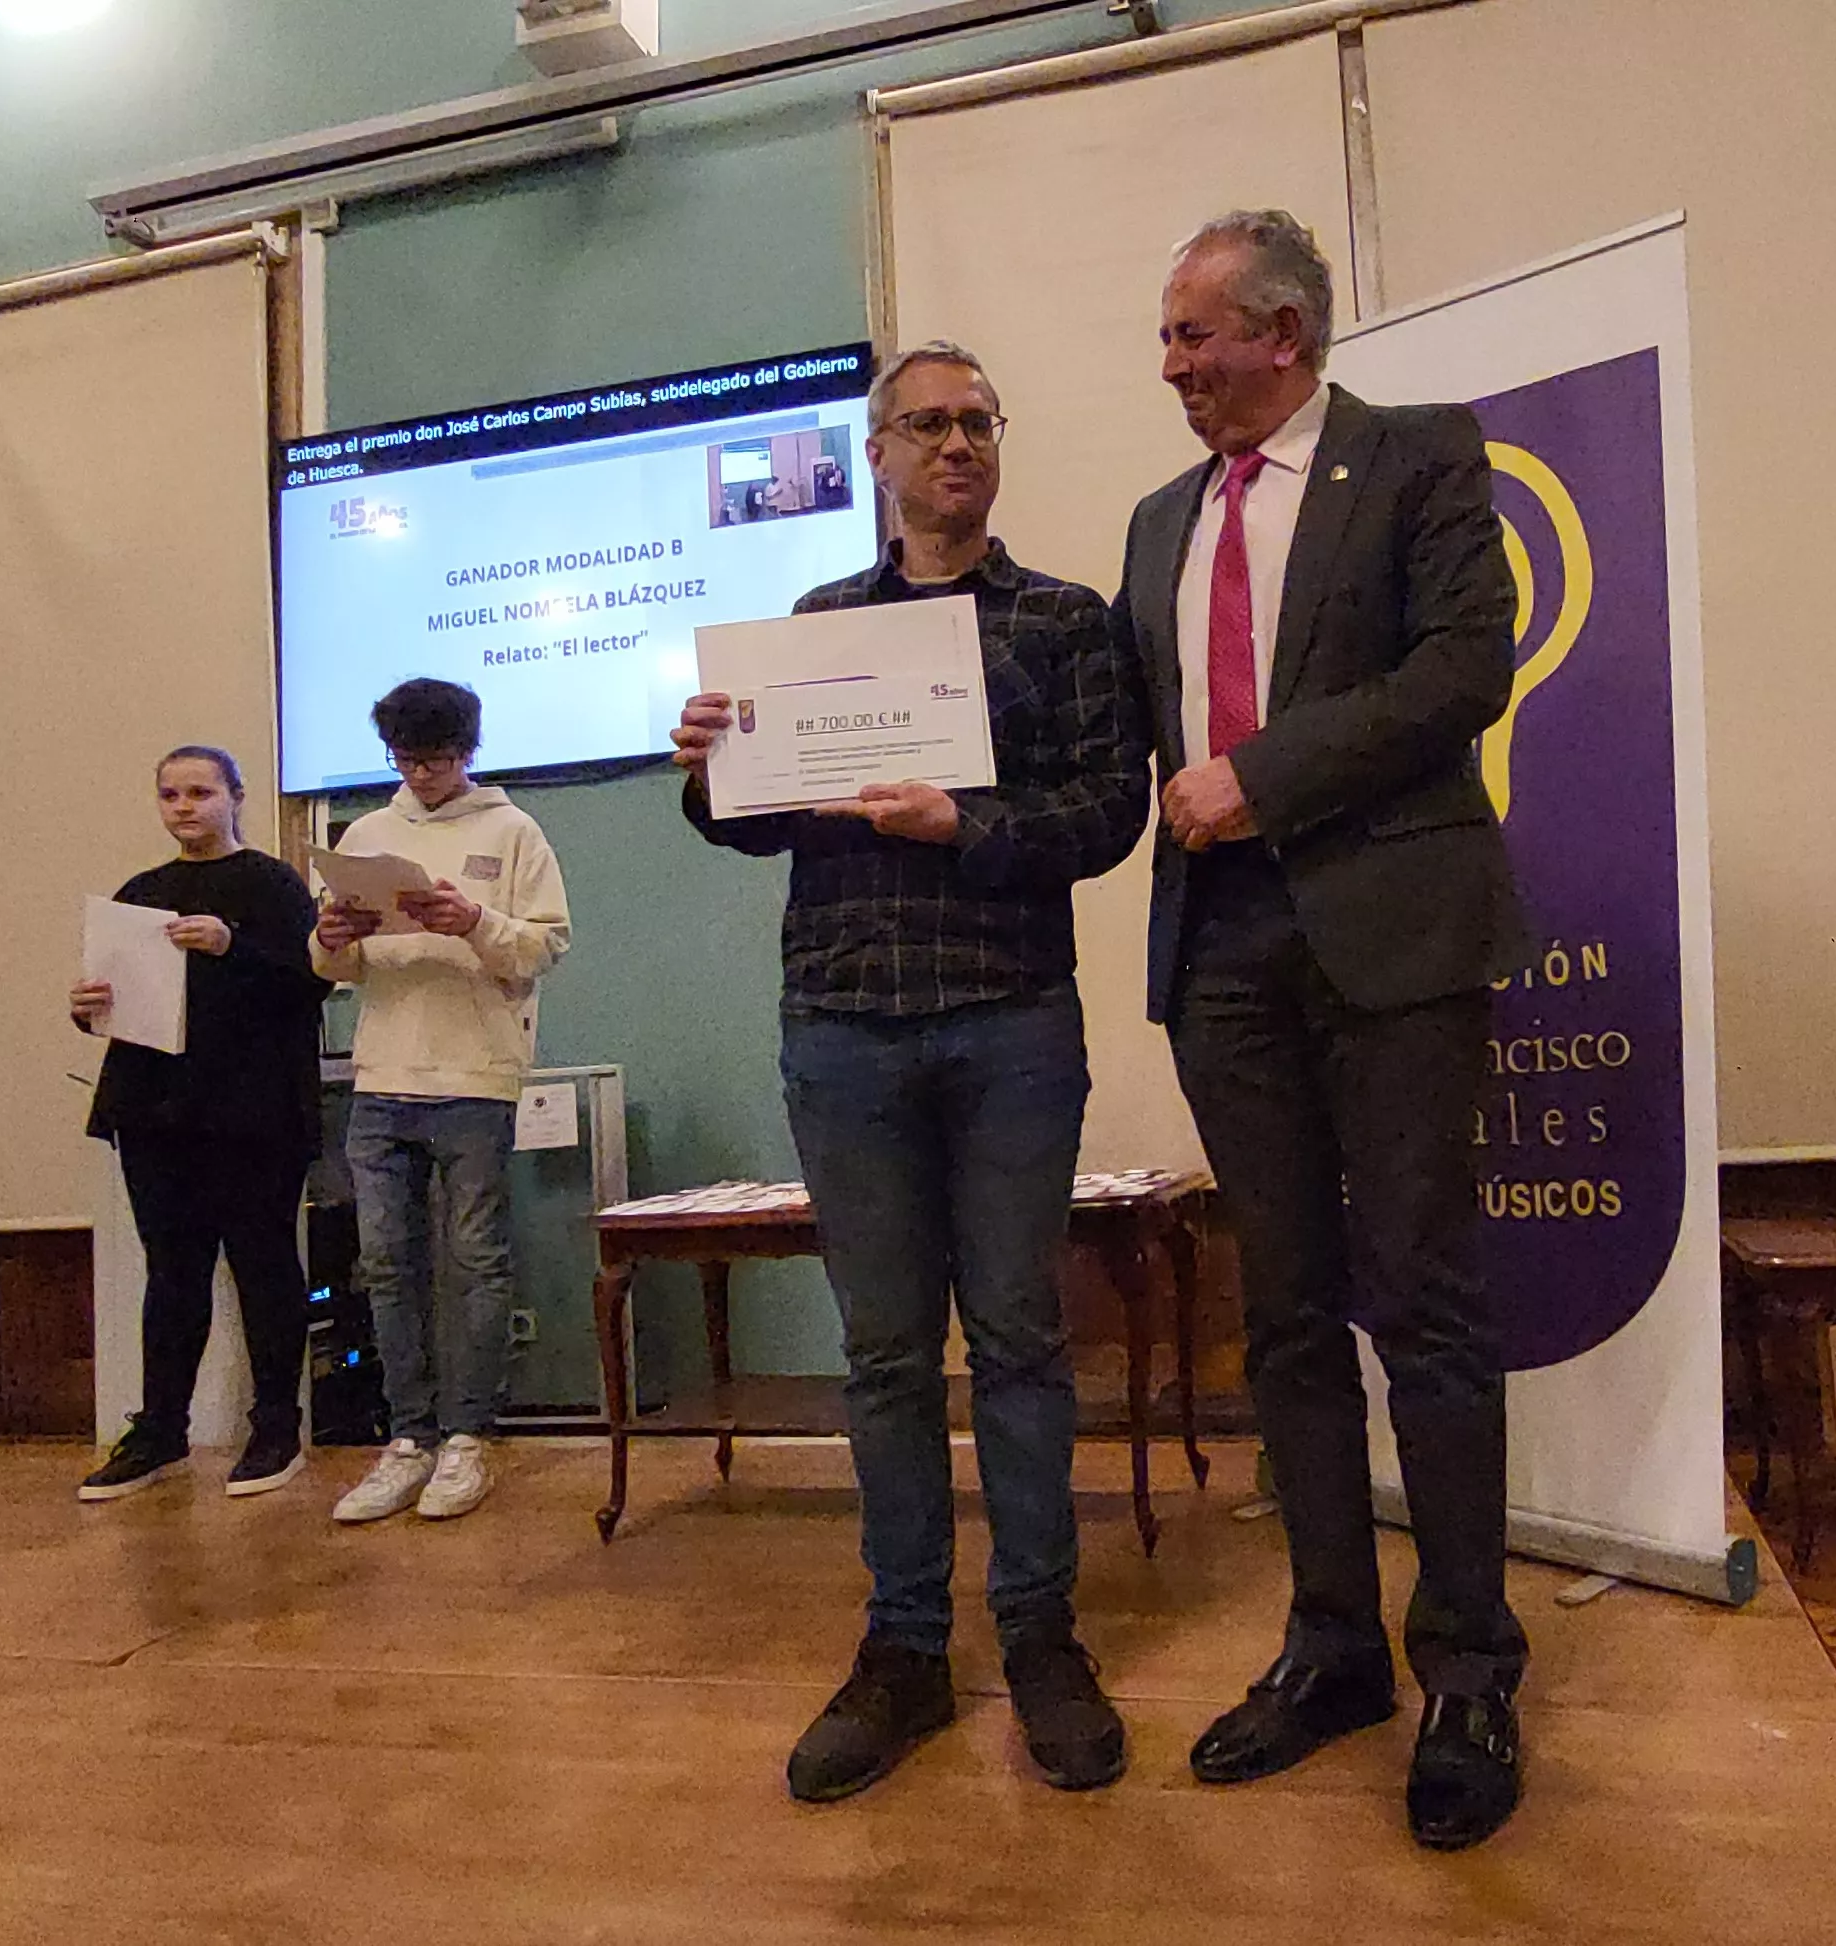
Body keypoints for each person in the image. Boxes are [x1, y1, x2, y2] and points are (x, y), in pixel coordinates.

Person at [674, 341, 1152, 1802]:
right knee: (883, 1358)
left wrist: (967, 825)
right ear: (875, 453)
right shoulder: (813, 626)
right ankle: (904, 1648)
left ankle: (1041, 1635)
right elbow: (753, 821)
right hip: (841, 1023)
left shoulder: (1064, 620)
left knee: (1017, 1341)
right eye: (927, 424)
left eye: (977, 422)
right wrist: (706, 767)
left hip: (1009, 1020)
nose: (956, 443)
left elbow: (1108, 811)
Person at [1112, 209, 1533, 1850]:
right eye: (1166, 336)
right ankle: (1334, 1646)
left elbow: (1462, 670)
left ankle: (1468, 1670)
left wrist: (1264, 777)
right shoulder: (1157, 521)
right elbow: (1124, 727)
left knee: (1420, 1301)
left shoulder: (1417, 456)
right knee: (1283, 1316)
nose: (1168, 365)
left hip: (1391, 930)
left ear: (1279, 333)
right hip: (1219, 949)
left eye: (1190, 334)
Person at [316, 679, 572, 1524]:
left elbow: (544, 947)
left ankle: (467, 1436)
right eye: (404, 759)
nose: (419, 774)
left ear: (466, 751)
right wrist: (330, 939)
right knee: (385, 1262)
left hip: (474, 1075)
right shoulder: (367, 834)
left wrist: (470, 921)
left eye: (434, 759)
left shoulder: (512, 830)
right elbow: (339, 969)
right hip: (381, 1074)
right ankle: (407, 1439)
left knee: (475, 1260)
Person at [69, 746, 333, 1503]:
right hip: (155, 1106)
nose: (184, 807)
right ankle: (160, 1429)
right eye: (170, 795)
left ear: (235, 797)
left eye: (199, 792)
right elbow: (121, 1000)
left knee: (262, 1264)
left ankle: (275, 1427)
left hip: (253, 1109)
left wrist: (230, 945)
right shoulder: (141, 892)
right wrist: (88, 1009)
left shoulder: (272, 884)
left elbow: (311, 983)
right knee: (172, 1271)